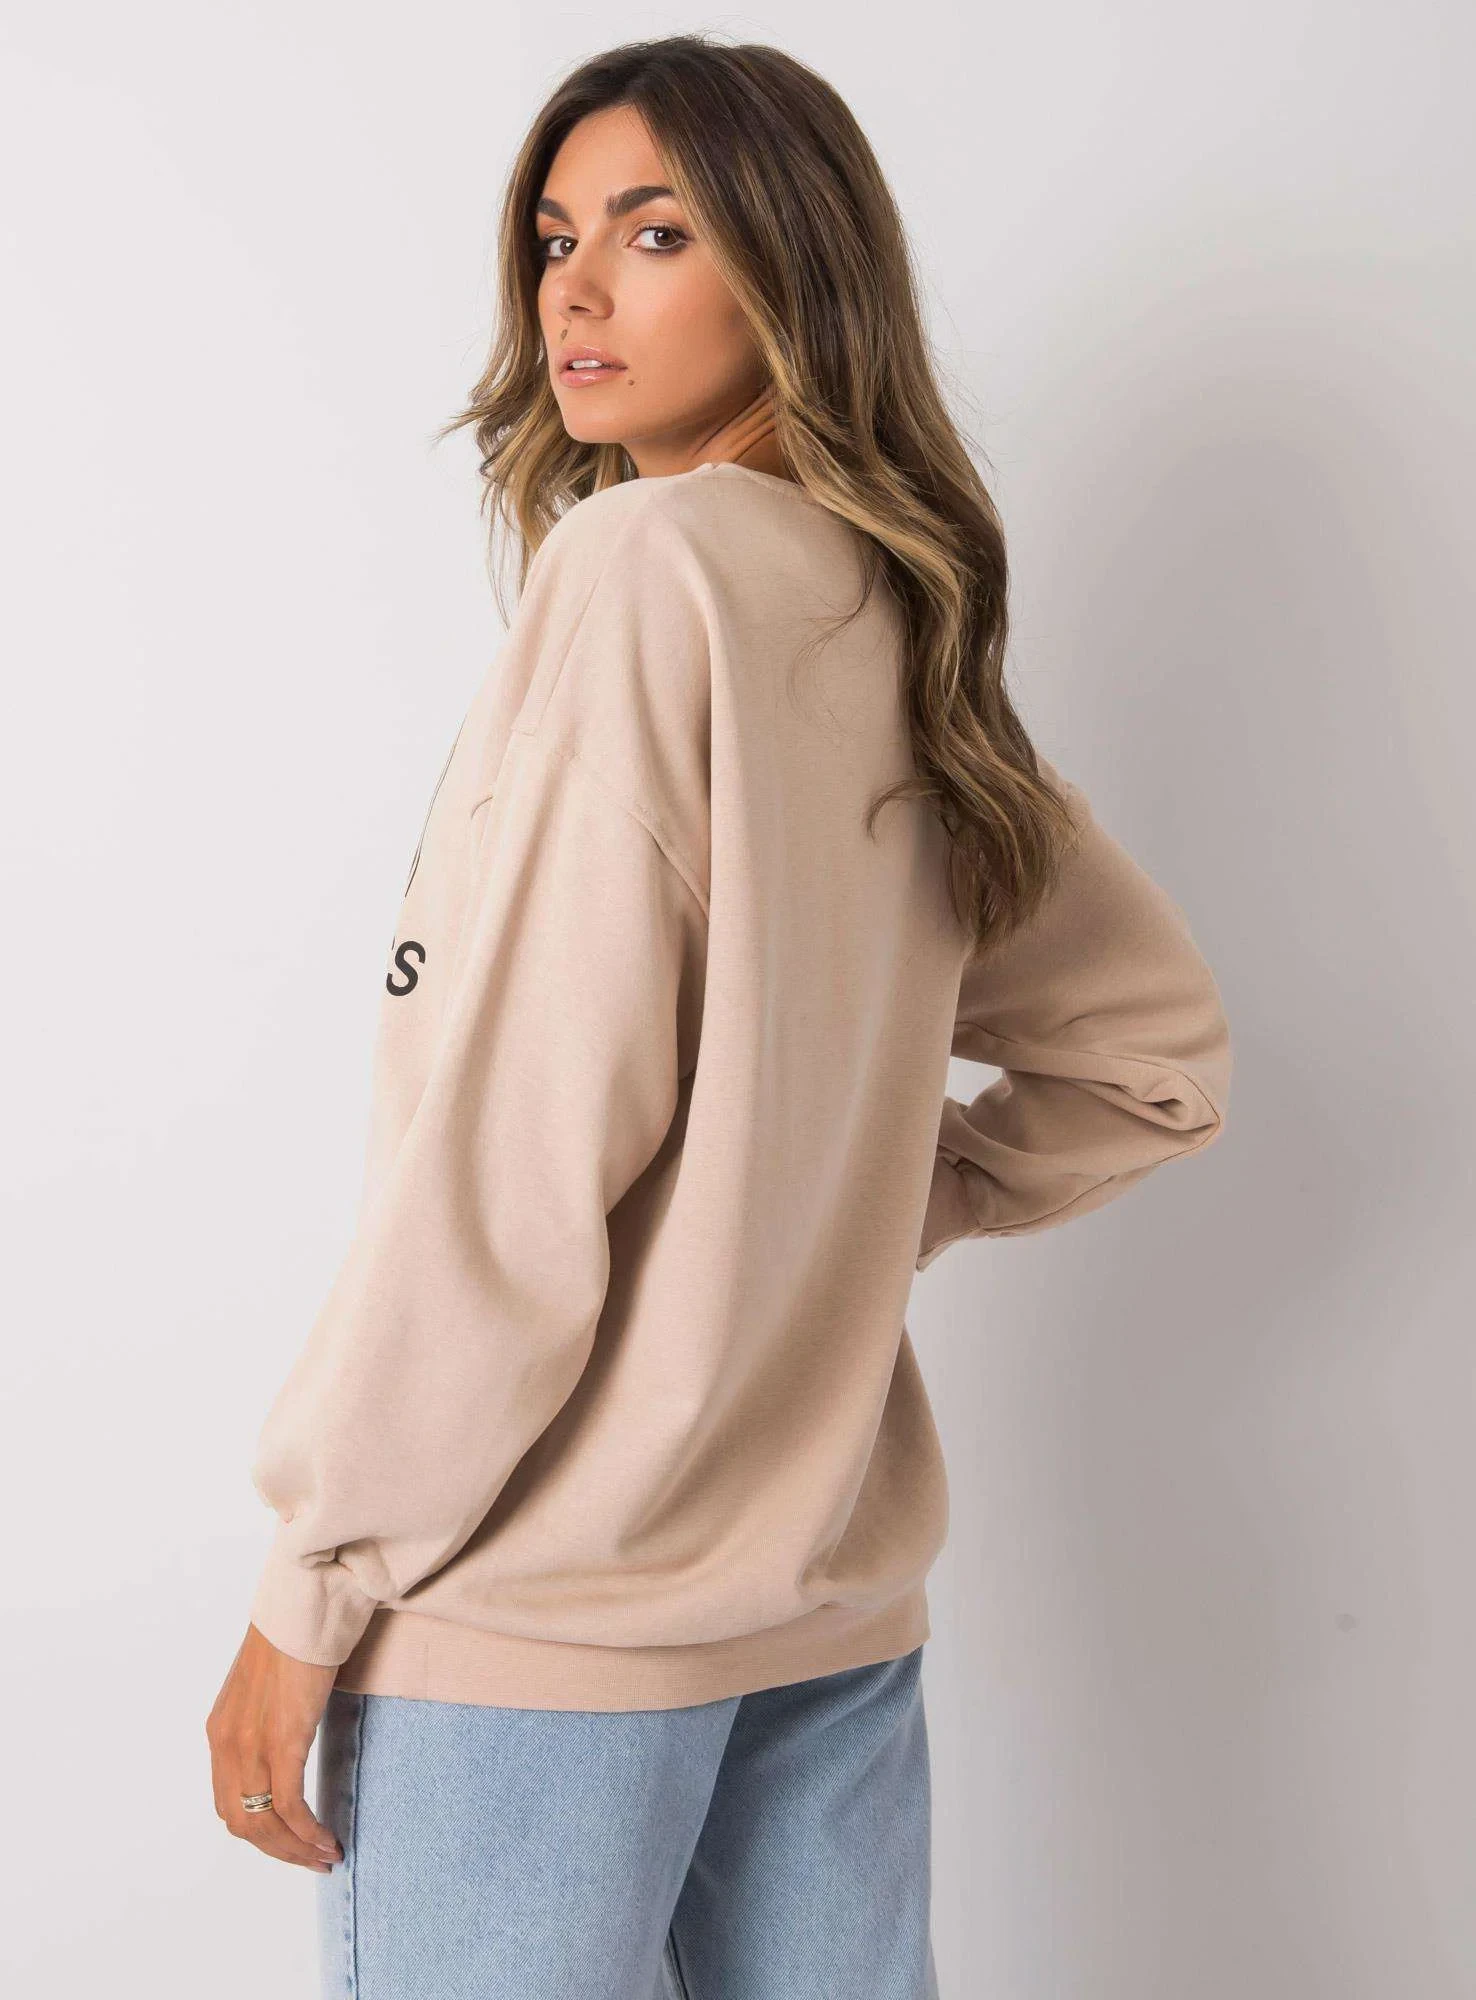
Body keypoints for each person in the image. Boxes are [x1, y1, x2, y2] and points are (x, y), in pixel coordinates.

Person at [205, 33, 1232, 2000]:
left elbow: (515, 1163)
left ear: (791, 265)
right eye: (553, 237)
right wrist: (820, 1209)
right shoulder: (888, 609)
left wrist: (311, 1581)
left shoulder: (641, 569)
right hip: (825, 1615)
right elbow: (1154, 1055)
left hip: (545, 1625)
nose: (575, 292)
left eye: (655, 233)